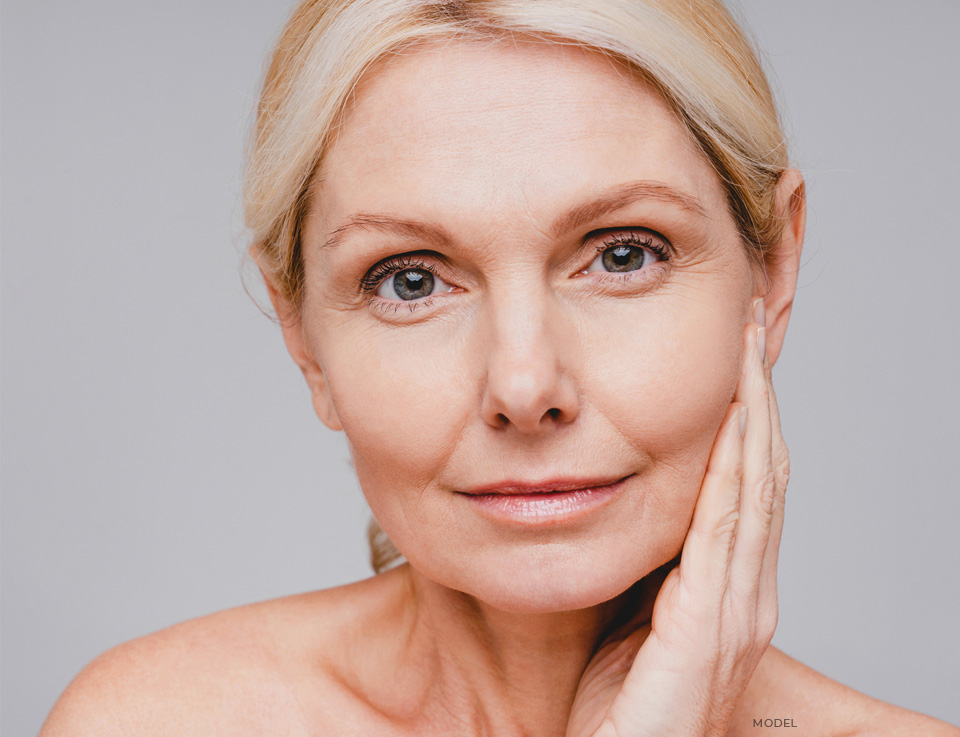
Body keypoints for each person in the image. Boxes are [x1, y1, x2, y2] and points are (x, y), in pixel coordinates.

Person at [37, 0, 960, 735]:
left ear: (775, 268)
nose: (524, 388)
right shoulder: (155, 722)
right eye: (410, 278)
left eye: (624, 253)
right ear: (304, 336)